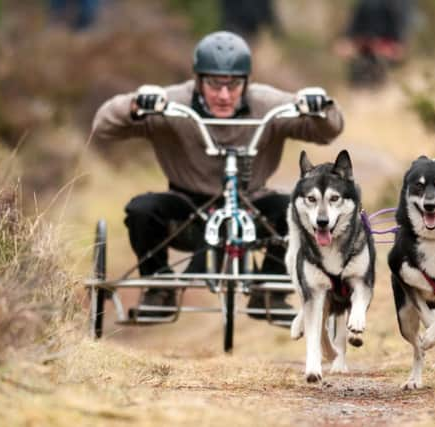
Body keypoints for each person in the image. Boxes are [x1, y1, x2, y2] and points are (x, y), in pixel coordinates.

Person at [91, 31, 343, 322]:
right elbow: (103, 125)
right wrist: (136, 106)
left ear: (246, 82)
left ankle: (269, 293)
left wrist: (319, 106)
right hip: (186, 207)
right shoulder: (173, 103)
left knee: (295, 209)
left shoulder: (267, 104)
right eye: (214, 84)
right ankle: (159, 287)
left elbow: (330, 131)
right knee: (141, 210)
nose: (224, 95)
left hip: (251, 203)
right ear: (198, 80)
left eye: (233, 85)